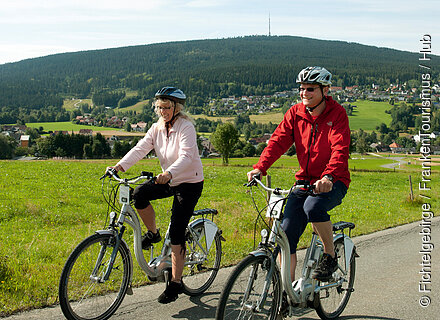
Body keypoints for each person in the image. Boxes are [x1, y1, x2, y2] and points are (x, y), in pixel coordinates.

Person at [247, 66, 351, 282]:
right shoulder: (295, 113)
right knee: (286, 238)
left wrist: (329, 177)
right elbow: (277, 142)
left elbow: (339, 149)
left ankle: (329, 255)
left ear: (325, 90)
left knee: (313, 207)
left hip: (333, 180)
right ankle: (285, 294)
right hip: (304, 181)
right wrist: (260, 167)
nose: (304, 93)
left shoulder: (337, 115)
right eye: (302, 89)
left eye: (310, 89)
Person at [108, 86, 204, 303]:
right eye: (159, 107)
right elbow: (140, 148)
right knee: (140, 194)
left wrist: (169, 173)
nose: (163, 111)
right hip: (168, 179)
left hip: (188, 182)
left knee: (178, 231)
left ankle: (176, 283)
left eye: (167, 107)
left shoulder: (186, 127)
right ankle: (153, 234)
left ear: (177, 107)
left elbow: (188, 156)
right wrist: (118, 167)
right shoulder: (157, 128)